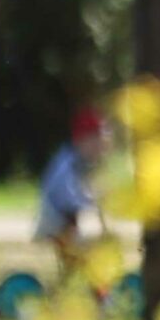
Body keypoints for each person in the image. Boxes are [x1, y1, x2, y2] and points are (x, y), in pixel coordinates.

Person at [36, 107, 110, 279]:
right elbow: (67, 198)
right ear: (82, 140)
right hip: (57, 221)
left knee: (83, 259)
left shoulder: (81, 162)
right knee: (82, 258)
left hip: (68, 221)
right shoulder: (68, 163)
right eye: (97, 141)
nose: (101, 148)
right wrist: (91, 201)